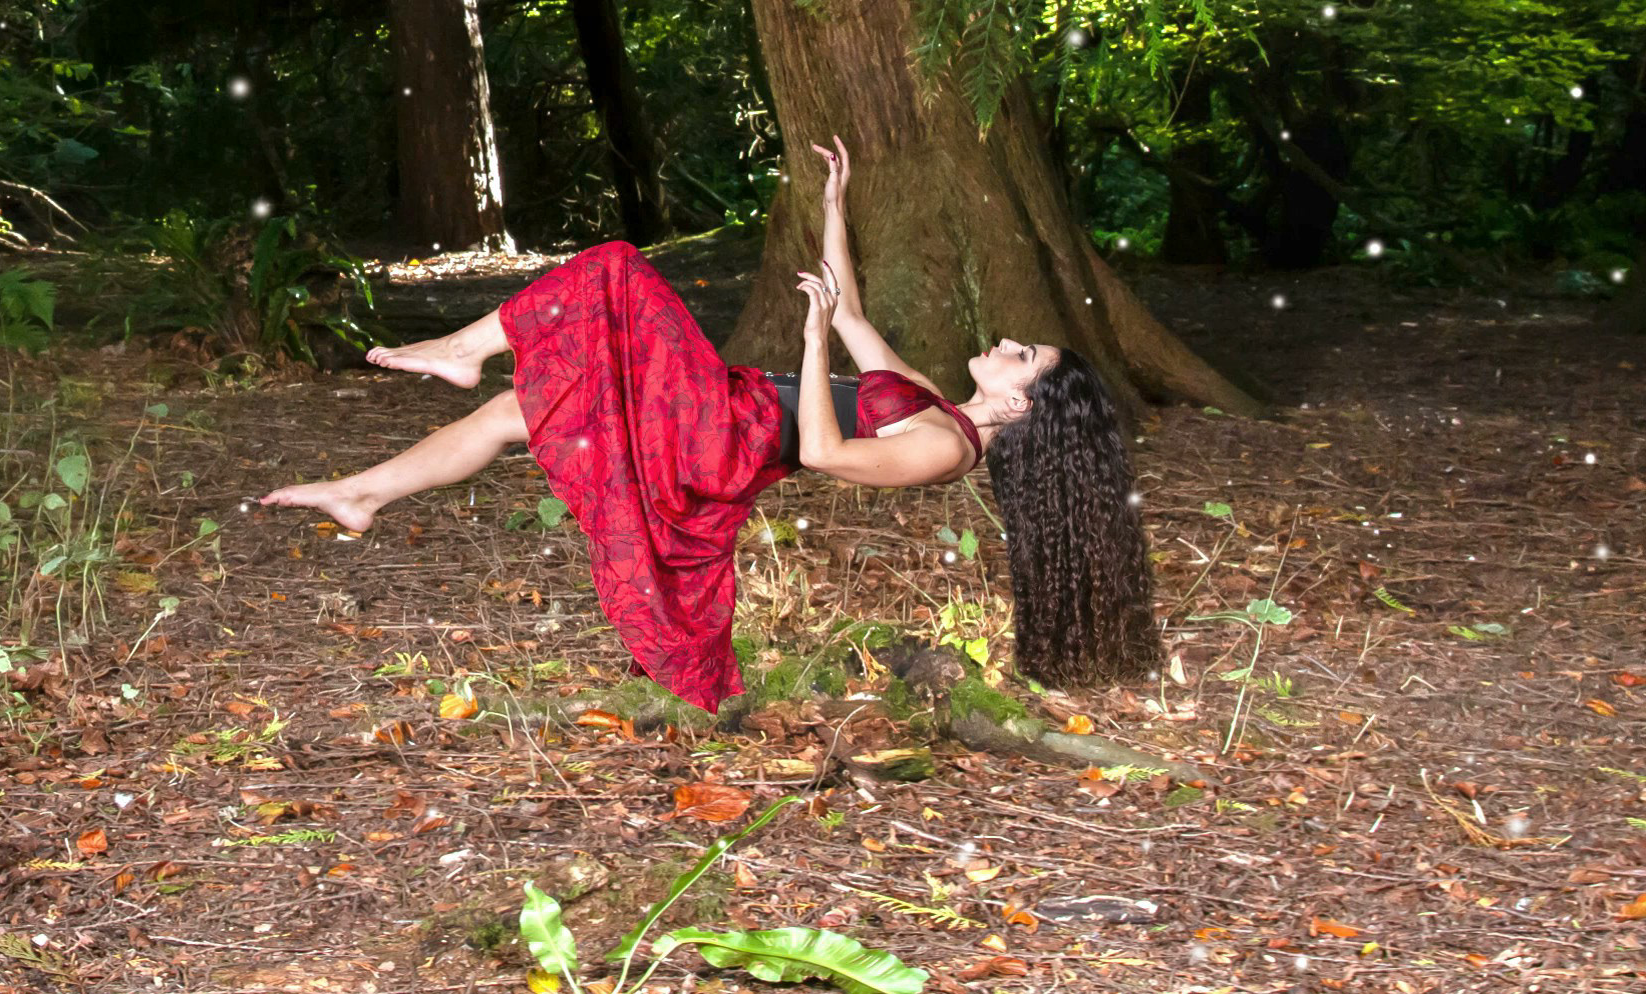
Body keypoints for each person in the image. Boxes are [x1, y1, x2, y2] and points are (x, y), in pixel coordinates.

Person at [263, 137, 1156, 709]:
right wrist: (837, 206)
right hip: (722, 406)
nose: (1004, 342)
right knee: (514, 414)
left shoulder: (939, 450)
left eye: (1021, 356)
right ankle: (359, 493)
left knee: (613, 269)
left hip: (722, 436)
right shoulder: (935, 400)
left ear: (1018, 407)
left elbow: (821, 449)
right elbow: (847, 311)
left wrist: (807, 344)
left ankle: (461, 345)